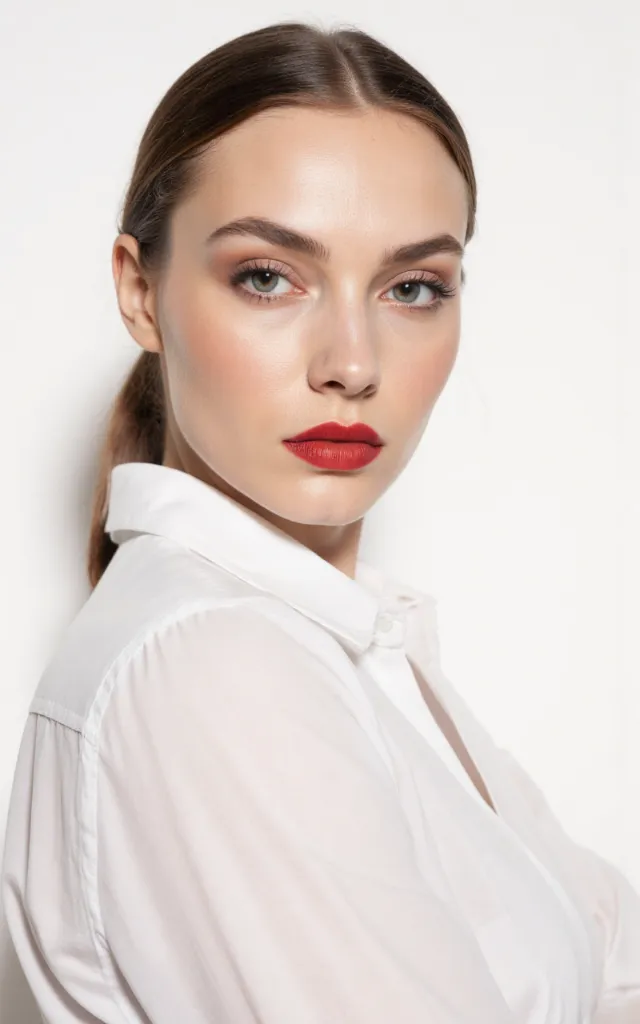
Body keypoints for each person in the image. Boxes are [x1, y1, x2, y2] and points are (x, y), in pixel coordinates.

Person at [2, 19, 639, 1024]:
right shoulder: (211, 663)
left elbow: (607, 957)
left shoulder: (349, 644)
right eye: (268, 276)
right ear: (139, 290)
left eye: (411, 287)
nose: (352, 361)